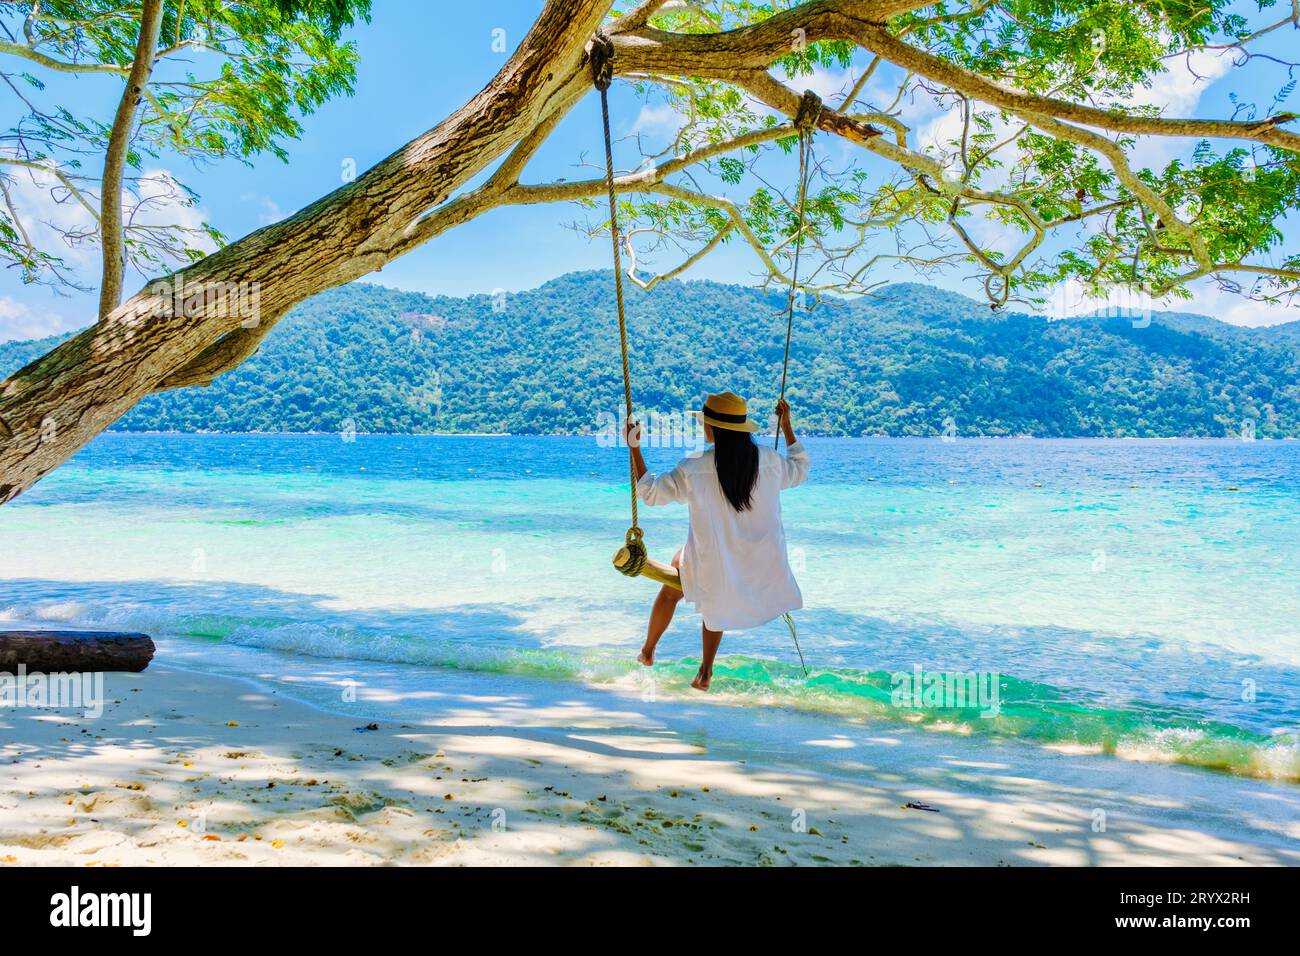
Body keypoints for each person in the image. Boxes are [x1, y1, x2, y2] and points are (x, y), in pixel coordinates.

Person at [625, 391, 810, 690]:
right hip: (761, 571)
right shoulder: (769, 460)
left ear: (712, 428)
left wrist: (634, 447)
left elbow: (650, 494)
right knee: (713, 573)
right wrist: (787, 426)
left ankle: (648, 651)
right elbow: (800, 469)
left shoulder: (695, 467)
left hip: (715, 570)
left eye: (704, 423)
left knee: (689, 572)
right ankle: (705, 669)